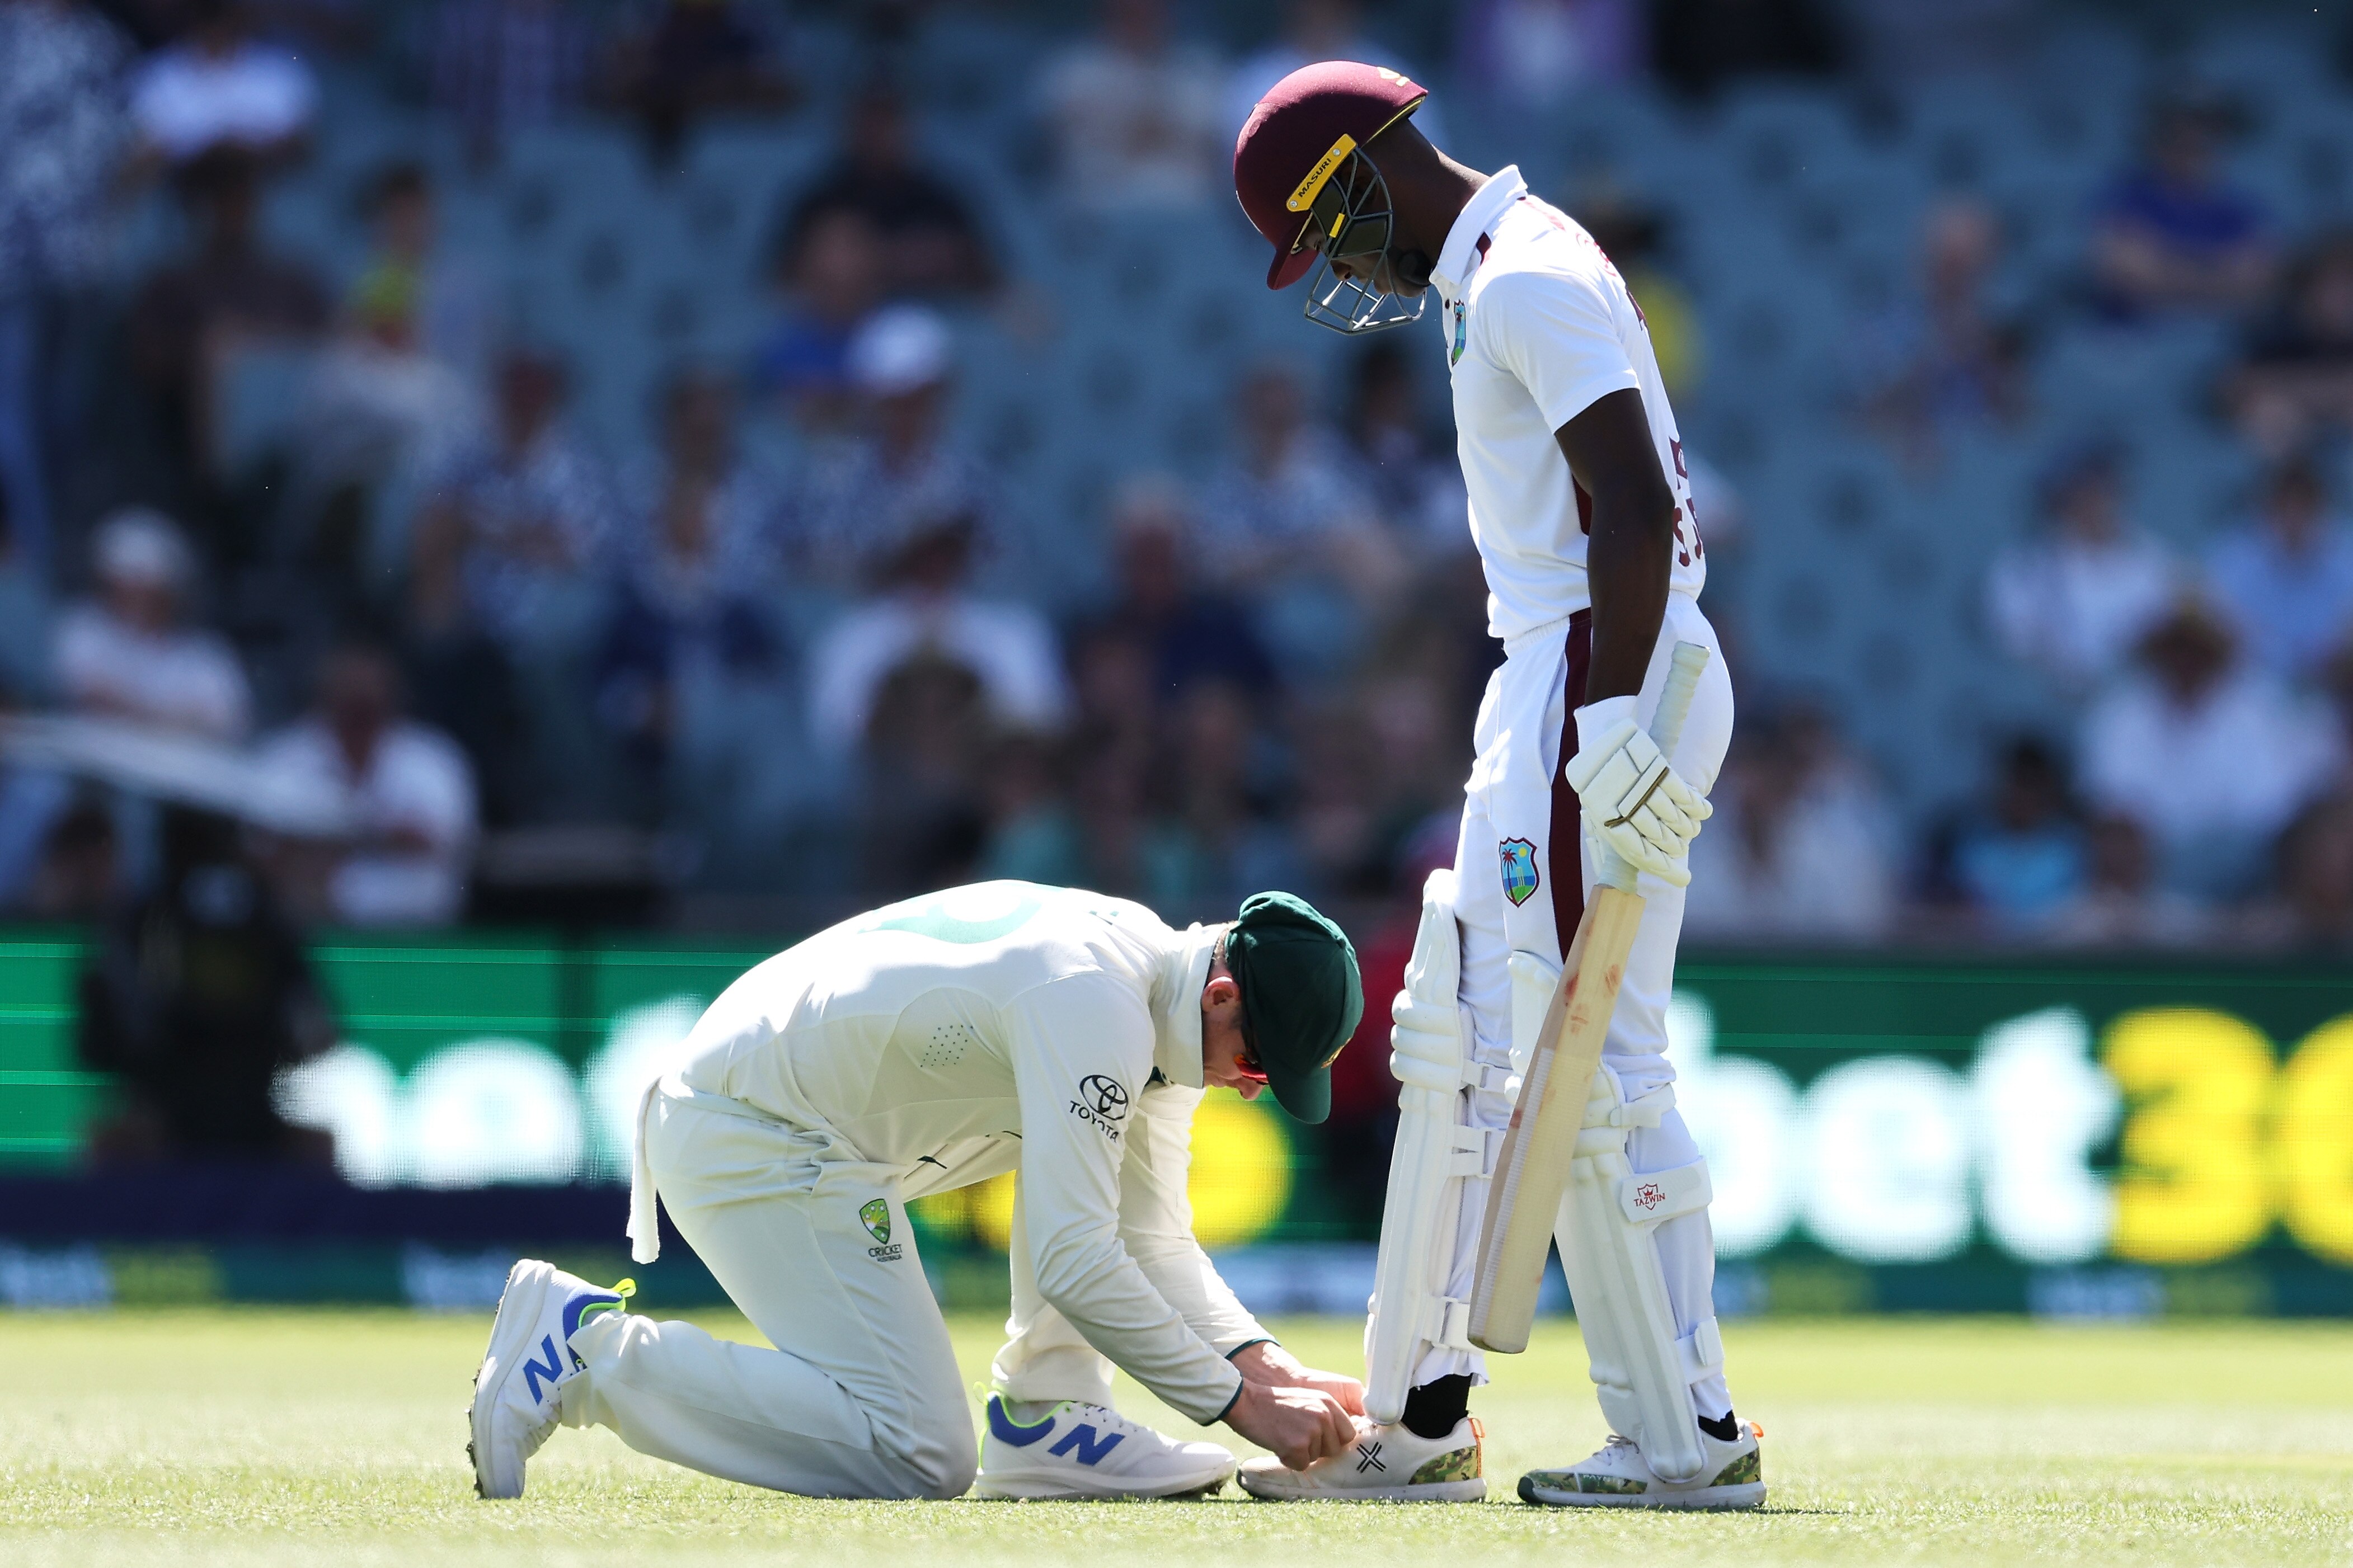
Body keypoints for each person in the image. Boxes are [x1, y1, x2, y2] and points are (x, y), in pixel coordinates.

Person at [1230, 63, 1753, 1506]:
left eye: (1327, 232)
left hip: (1592, 658)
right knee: (1453, 1031)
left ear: (1360, 173)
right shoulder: (1499, 272)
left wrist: (1609, 722)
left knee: (1592, 1051)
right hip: (1552, 665)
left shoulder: (1522, 273)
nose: (1340, 266)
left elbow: (1633, 502)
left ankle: (1682, 1432)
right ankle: (1419, 1418)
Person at [468, 883, 1371, 1501]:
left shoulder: (1152, 987)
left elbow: (1153, 1239)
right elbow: (1071, 1255)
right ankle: (584, 1351)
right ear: (1221, 995)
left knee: (1089, 1188)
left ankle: (1053, 1420)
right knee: (918, 1450)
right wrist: (1239, 1402)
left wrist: (1270, 1365)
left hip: (795, 1119)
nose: (1253, 1087)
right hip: (753, 1128)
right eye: (1258, 1061)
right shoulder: (1097, 1004)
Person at [256, 644, 478, 926]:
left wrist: (327, 838)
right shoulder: (282, 757)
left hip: (420, 933)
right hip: (309, 934)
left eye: (369, 702)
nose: (359, 707)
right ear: (325, 695)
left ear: (393, 699)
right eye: (349, 699)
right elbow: (263, 850)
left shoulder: (435, 760)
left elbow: (441, 844)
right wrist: (381, 837)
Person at [1985, 442, 2177, 695]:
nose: (2091, 503)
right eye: (2078, 492)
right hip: (2046, 704)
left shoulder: (2159, 563)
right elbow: (2013, 649)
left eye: (2099, 489)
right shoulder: (2022, 569)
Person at [55, 508, 251, 740]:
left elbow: (230, 725)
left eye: (145, 588)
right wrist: (177, 720)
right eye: (123, 585)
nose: (135, 599)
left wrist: (136, 712)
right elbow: (92, 699)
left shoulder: (207, 655)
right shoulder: (82, 628)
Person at [2090, 95, 2274, 322]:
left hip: (2221, 335)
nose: (2191, 150)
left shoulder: (2238, 210)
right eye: (2181, 141)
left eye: (2202, 142)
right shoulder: (2124, 198)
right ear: (2158, 144)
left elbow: (2257, 282)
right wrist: (2217, 275)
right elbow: (2126, 274)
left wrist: (2166, 269)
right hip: (2132, 333)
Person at [1039, 0, 1228, 213]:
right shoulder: (1072, 72)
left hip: (1192, 214)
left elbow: (1213, 141)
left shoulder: (1201, 68)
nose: (1141, 10)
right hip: (1098, 213)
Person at [2201, 455, 2353, 684]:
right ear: (2266, 507)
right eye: (2286, 505)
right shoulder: (2228, 561)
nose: (2295, 516)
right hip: (2248, 688)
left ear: (2322, 508)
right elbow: (2223, 638)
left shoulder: (2346, 556)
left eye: (2305, 506)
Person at [128, 0, 316, 168]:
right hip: (188, 189)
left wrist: (244, 153)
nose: (216, 33)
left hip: (267, 186)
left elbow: (303, 149)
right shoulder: (158, 77)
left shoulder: (280, 71)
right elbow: (143, 158)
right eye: (208, 16)